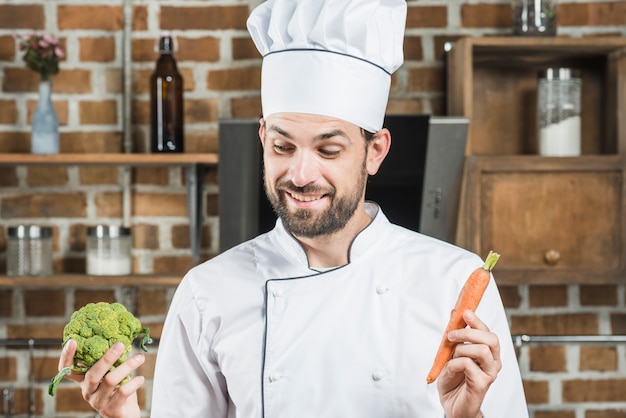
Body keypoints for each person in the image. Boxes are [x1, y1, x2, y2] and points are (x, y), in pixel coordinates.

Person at [58, 0, 529, 417]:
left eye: (328, 150)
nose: (301, 174)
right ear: (263, 139)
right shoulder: (208, 294)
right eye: (283, 146)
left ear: (376, 151)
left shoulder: (457, 283)